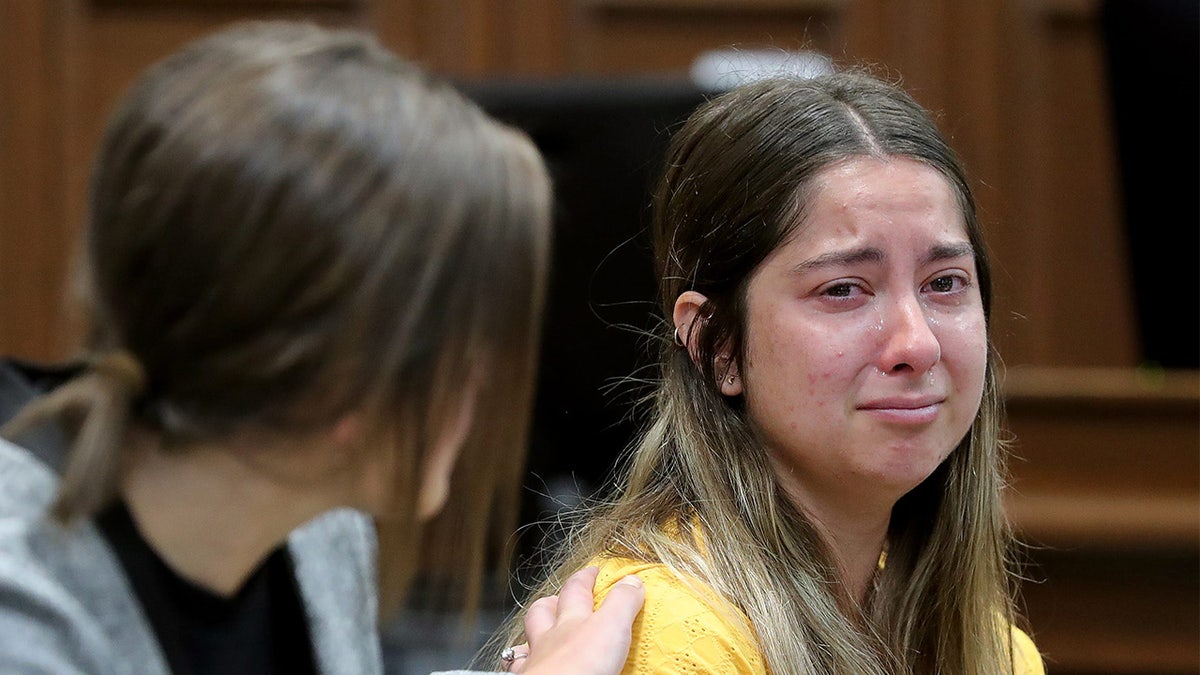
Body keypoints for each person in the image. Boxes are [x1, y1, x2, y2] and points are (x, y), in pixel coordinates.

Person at [0, 21, 642, 675]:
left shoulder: (317, 523)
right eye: (463, 345)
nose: (481, 382)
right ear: (344, 377)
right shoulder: (21, 606)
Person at [499, 71, 1046, 673]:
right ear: (717, 345)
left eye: (945, 284)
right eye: (843, 289)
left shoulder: (998, 652)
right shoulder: (665, 634)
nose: (916, 344)